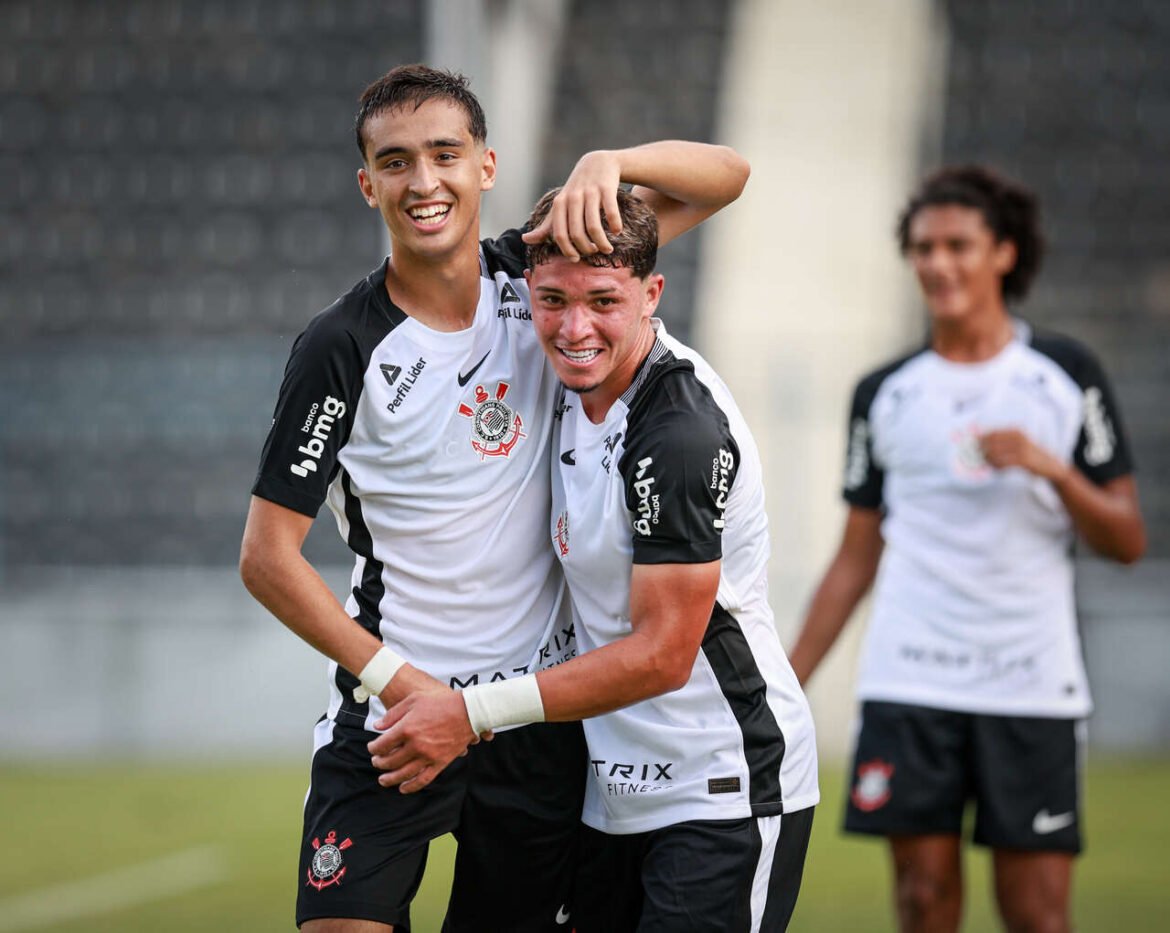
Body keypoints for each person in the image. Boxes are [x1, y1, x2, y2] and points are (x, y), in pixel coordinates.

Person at [239, 63, 749, 932]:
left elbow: (728, 176)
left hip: (532, 724)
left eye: (445, 153)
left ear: (486, 165)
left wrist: (608, 161)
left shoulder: (544, 277)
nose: (424, 181)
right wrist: (401, 686)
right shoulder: (340, 345)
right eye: (396, 162)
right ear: (368, 185)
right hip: (393, 712)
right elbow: (266, 557)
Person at [373, 188, 819, 932]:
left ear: (652, 295)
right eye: (553, 300)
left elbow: (662, 655)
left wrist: (470, 713)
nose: (575, 328)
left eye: (604, 301)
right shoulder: (570, 379)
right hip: (610, 801)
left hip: (721, 791)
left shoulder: (677, 434)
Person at [786, 165, 1146, 933]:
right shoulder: (885, 390)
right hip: (911, 677)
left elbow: (1125, 539)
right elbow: (856, 557)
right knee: (922, 902)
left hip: (1029, 682)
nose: (938, 263)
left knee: (1037, 914)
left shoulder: (1065, 376)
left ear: (1005, 254)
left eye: (958, 244)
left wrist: (1053, 468)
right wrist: (788, 685)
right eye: (922, 247)